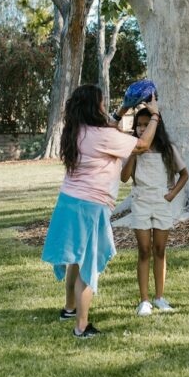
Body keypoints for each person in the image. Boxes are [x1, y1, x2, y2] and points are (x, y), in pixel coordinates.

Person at [41, 84, 160, 338]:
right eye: (102, 103)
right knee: (88, 265)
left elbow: (108, 128)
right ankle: (81, 327)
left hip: (69, 202)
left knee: (76, 257)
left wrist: (124, 109)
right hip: (90, 207)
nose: (105, 107)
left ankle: (70, 309)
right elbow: (142, 144)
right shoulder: (101, 135)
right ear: (94, 107)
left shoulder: (77, 131)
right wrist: (155, 115)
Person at [121, 108, 189, 317]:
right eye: (138, 126)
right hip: (141, 200)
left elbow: (184, 174)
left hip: (162, 201)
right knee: (144, 250)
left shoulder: (167, 149)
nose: (141, 129)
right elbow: (124, 177)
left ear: (155, 126)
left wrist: (171, 195)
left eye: (145, 124)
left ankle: (159, 297)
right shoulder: (133, 148)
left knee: (159, 249)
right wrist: (133, 152)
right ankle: (144, 300)